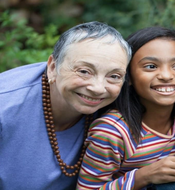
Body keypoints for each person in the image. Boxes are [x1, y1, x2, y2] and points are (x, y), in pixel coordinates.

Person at [76, 27, 175, 190]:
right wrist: (143, 176)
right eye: (151, 66)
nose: (166, 75)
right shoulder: (112, 132)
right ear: (127, 77)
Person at [0, 21, 132, 190]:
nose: (98, 88)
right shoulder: (5, 106)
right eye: (84, 71)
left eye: (114, 76)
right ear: (53, 67)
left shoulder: (117, 109)